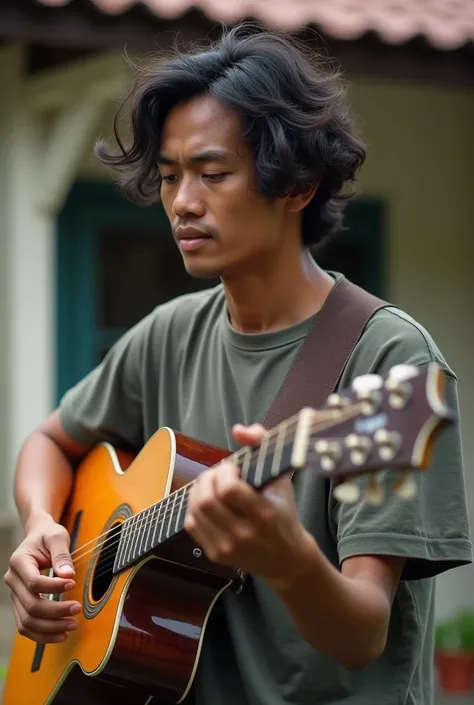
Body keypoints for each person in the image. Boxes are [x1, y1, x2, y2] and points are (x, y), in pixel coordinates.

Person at [4, 23, 472, 705]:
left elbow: (363, 632)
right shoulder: (167, 335)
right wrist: (42, 526)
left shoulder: (390, 366)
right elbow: (51, 439)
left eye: (212, 173)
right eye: (169, 177)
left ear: (298, 185)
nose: (183, 202)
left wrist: (287, 559)